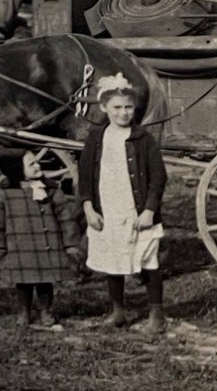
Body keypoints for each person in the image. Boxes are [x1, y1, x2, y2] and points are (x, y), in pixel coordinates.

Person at [78, 72, 167, 334]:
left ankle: (157, 314)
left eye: (128, 107)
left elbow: (159, 177)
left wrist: (149, 209)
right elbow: (85, 175)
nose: (123, 113)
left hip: (136, 209)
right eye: (117, 107)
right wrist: (88, 207)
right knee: (111, 260)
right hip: (108, 207)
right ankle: (117, 310)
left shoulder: (142, 139)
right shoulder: (96, 137)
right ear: (104, 107)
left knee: (147, 259)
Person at [0, 151, 85, 331]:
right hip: (20, 245)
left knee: (46, 280)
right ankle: (24, 312)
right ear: (17, 169)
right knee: (23, 281)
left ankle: (46, 311)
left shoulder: (51, 189)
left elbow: (65, 217)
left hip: (47, 242)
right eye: (31, 164)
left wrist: (70, 243)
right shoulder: (7, 193)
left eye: (37, 162)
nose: (38, 166)